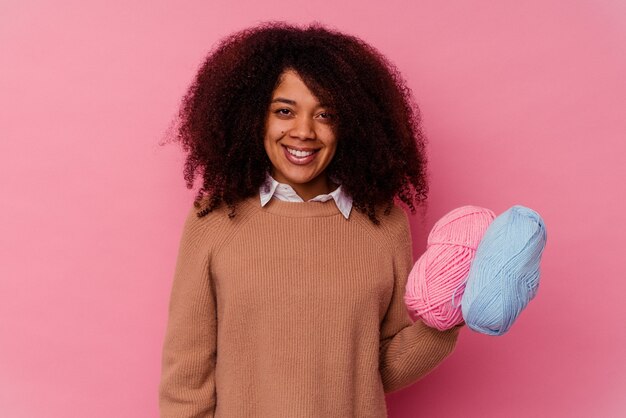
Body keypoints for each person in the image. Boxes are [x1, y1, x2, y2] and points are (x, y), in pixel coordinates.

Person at [158, 21, 463, 418]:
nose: (304, 132)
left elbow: (376, 366)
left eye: (325, 114)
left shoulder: (385, 224)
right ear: (254, 117)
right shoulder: (214, 218)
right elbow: (186, 378)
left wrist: (452, 318)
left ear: (351, 123)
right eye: (284, 111)